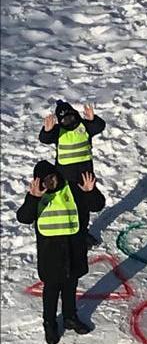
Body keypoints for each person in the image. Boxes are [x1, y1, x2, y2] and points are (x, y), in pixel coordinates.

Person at [16, 160, 105, 344]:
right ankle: (49, 324)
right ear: (38, 182)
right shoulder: (37, 196)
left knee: (70, 285)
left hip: (73, 249)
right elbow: (23, 218)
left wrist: (90, 192)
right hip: (50, 254)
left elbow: (96, 205)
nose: (50, 183)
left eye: (52, 177)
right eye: (45, 180)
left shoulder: (72, 189)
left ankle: (70, 317)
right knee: (51, 291)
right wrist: (32, 198)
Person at [38, 100, 105, 247]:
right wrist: (47, 130)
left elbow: (99, 127)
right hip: (64, 179)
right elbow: (44, 139)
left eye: (71, 117)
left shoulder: (84, 126)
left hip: (84, 178)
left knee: (84, 207)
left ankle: (83, 233)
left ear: (75, 115)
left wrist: (93, 119)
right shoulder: (58, 131)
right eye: (64, 119)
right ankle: (69, 232)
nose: (68, 121)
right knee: (68, 207)